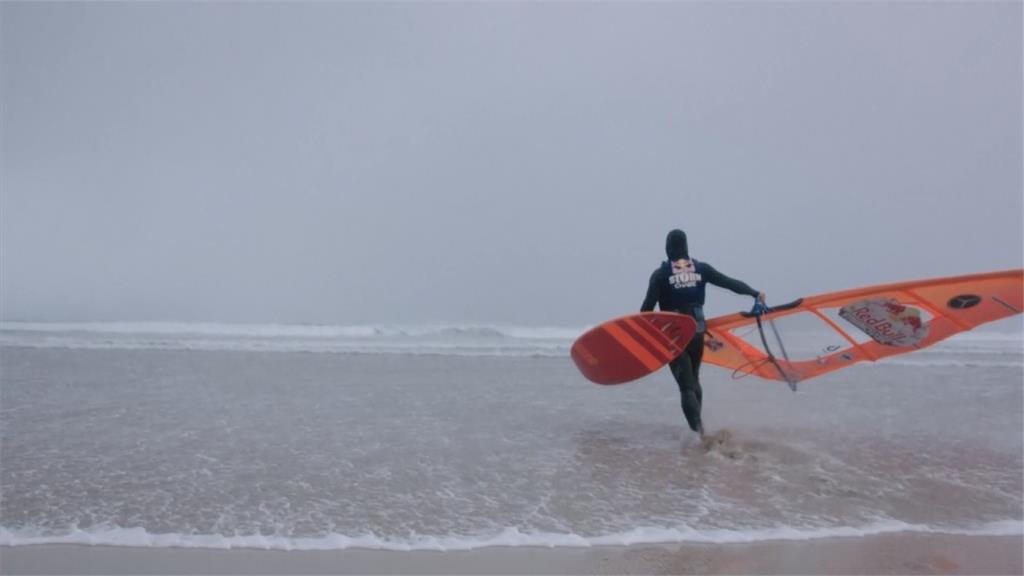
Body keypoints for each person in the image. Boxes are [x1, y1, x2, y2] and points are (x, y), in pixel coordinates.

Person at [641, 229, 764, 437]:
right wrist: (755, 293)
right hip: (697, 331)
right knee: (694, 379)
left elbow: (646, 311)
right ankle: (702, 433)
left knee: (686, 386)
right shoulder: (701, 269)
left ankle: (701, 435)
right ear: (686, 246)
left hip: (674, 335)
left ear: (668, 248)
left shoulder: (660, 275)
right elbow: (730, 283)